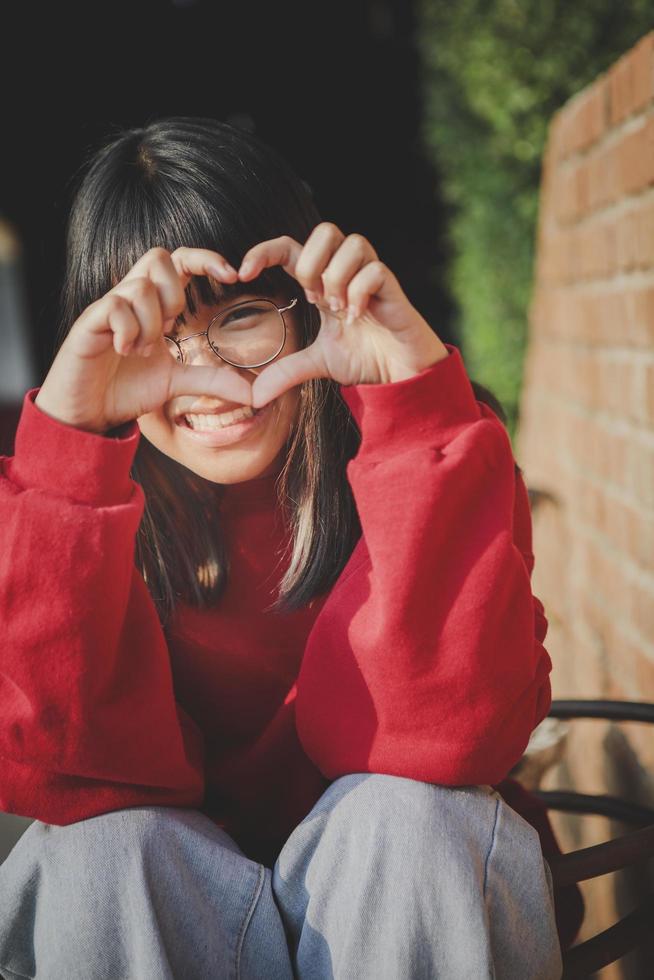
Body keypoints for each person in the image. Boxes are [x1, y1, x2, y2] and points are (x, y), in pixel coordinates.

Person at [0, 115, 565, 979]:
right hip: (170, 911)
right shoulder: (60, 499)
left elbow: (457, 736)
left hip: (395, 899)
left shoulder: (429, 440)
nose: (212, 375)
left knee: (410, 819)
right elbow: (64, 776)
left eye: (242, 315)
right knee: (100, 854)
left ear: (303, 303)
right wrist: (72, 450)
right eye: (161, 333)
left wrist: (412, 408)